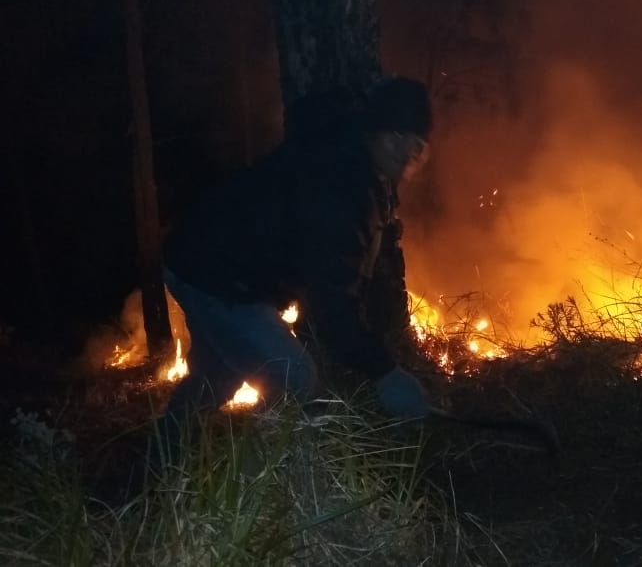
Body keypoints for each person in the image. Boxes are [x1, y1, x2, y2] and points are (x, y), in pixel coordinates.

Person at [153, 76, 433, 465]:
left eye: (420, 149)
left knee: (218, 374)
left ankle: (151, 468)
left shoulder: (352, 158)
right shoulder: (340, 182)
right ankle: (255, 487)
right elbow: (332, 304)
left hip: (205, 260)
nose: (412, 158)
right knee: (294, 378)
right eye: (411, 144)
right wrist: (385, 372)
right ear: (387, 135)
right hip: (215, 275)